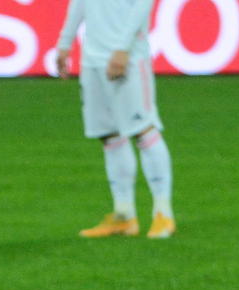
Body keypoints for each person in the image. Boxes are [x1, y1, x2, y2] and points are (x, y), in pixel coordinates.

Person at [56, 0, 176, 238]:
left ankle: (163, 213)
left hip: (128, 58)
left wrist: (123, 48)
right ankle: (124, 215)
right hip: (92, 58)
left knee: (144, 130)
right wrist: (64, 42)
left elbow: (143, 4)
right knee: (109, 135)